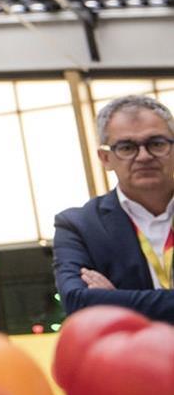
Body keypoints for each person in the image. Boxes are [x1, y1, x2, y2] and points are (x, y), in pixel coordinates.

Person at [53, 95, 174, 322]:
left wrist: (115, 300)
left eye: (156, 144)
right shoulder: (79, 226)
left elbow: (96, 305)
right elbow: (77, 301)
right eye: (127, 147)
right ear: (105, 158)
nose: (144, 156)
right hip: (130, 356)